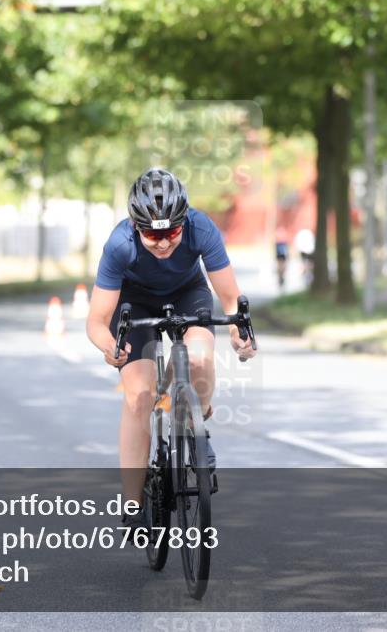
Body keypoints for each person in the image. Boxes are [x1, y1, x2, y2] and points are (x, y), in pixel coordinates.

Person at [85, 168, 257, 534]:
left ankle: (196, 417)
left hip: (187, 292)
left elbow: (229, 299)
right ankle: (133, 504)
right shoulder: (119, 244)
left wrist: (240, 336)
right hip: (135, 302)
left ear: (183, 223)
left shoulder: (202, 228)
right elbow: (97, 321)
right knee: (140, 394)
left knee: (198, 358)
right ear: (135, 227)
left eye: (171, 233)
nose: (162, 243)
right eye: (151, 234)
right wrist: (109, 348)